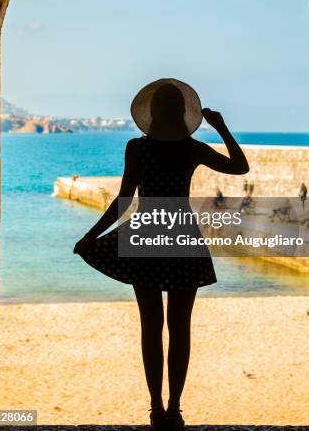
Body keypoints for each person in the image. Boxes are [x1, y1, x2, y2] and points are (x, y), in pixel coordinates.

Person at [73, 78, 249, 431]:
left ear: (151, 114)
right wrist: (222, 127)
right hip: (182, 234)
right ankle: (176, 409)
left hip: (146, 235)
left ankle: (156, 409)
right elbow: (239, 167)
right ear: (183, 114)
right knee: (179, 328)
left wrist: (91, 236)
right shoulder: (193, 148)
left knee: (151, 327)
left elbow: (124, 201)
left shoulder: (137, 148)